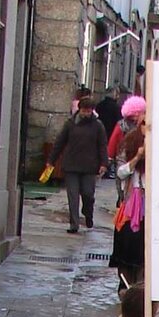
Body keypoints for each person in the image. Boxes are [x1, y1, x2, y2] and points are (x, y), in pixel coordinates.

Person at [48, 96, 108, 233]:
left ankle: (88, 213)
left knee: (88, 194)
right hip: (71, 165)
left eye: (89, 111)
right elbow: (60, 142)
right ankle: (74, 224)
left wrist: (104, 163)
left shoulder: (98, 126)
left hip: (89, 167)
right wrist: (51, 160)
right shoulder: (70, 124)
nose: (87, 113)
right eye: (84, 111)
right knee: (73, 196)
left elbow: (102, 146)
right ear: (79, 109)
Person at [109, 122, 146, 292]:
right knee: (126, 250)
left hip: (149, 210)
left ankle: (140, 290)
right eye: (143, 123)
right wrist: (137, 157)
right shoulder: (130, 143)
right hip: (130, 208)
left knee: (143, 254)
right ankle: (125, 288)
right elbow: (120, 172)